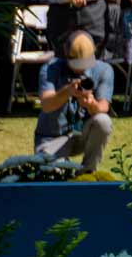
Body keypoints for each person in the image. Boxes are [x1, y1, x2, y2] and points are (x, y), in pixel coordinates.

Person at [34, 30, 114, 173]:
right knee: (53, 175)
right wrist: (67, 91)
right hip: (52, 137)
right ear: (66, 54)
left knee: (103, 121)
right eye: (76, 64)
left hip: (82, 135)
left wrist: (91, 105)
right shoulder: (50, 69)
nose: (81, 69)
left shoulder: (104, 70)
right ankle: (59, 165)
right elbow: (46, 105)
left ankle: (87, 171)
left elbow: (104, 107)